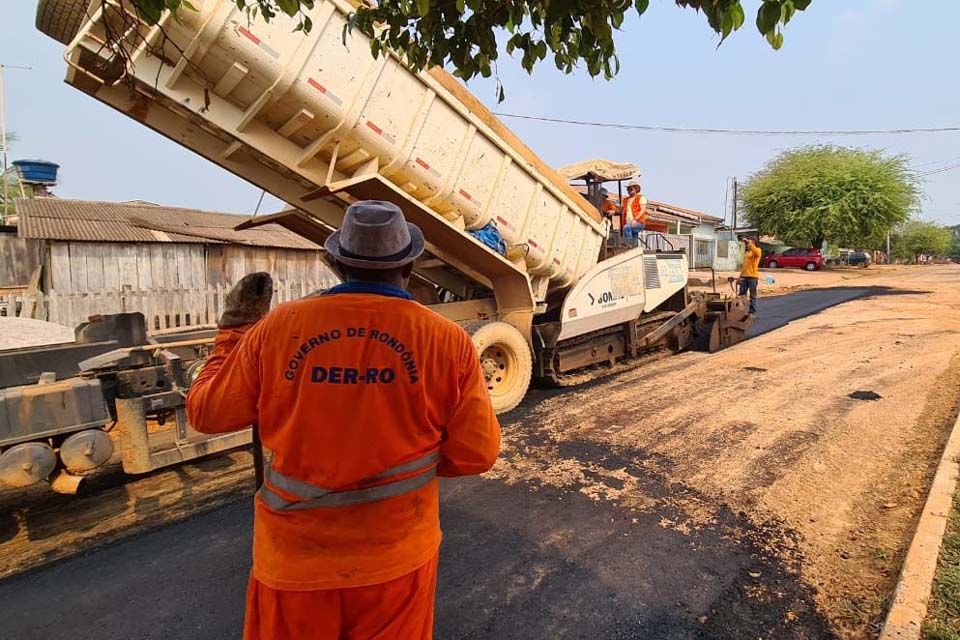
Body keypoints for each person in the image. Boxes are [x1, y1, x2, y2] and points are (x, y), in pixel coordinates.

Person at [187, 200, 501, 640]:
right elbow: (477, 454)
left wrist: (235, 332)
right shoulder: (445, 340)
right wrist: (416, 459)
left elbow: (208, 413)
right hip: (395, 561)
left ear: (336, 264)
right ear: (409, 265)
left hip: (292, 565)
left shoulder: (278, 328)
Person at [739, 236, 762, 316]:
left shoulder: (757, 251)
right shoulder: (747, 253)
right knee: (741, 295)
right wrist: (740, 276)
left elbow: (756, 251)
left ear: (754, 242)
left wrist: (749, 243)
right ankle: (740, 311)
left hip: (753, 277)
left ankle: (752, 312)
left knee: (752, 295)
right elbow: (744, 266)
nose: (748, 244)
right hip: (744, 276)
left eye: (750, 242)